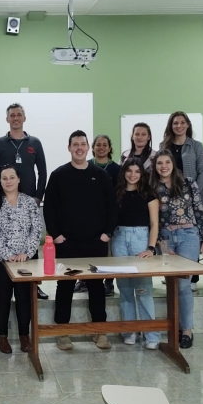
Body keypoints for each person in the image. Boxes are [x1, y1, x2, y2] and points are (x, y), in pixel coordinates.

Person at [43, 131, 117, 351]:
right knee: (65, 285)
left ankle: (99, 331)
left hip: (96, 241)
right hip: (67, 243)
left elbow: (112, 206)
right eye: (75, 144)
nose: (79, 148)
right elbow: (49, 208)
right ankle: (62, 332)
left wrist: (107, 234)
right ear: (69, 148)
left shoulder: (100, 175)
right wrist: (56, 235)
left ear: (88, 148)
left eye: (83, 144)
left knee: (96, 286)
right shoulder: (58, 175)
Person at [0, 103, 49, 300]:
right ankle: (2, 289)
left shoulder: (35, 142)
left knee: (30, 245)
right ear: (7, 119)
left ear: (24, 118)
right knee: (2, 245)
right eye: (12, 115)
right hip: (4, 201)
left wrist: (38, 197)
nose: (15, 118)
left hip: (29, 202)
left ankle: (34, 286)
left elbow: (43, 172)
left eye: (19, 115)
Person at [150, 150, 203, 349]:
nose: (163, 166)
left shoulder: (188, 182)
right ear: (155, 166)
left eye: (167, 162)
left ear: (173, 164)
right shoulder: (151, 186)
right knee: (171, 284)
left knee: (184, 285)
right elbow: (152, 219)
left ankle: (186, 330)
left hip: (188, 236)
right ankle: (173, 326)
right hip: (165, 237)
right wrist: (160, 243)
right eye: (160, 163)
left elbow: (199, 210)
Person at [0, 164, 42, 354]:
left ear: (19, 179)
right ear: (0, 181)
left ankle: (24, 336)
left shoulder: (29, 202)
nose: (8, 181)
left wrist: (27, 252)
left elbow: (36, 229)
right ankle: (2, 336)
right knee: (3, 297)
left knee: (25, 297)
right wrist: (7, 254)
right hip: (0, 260)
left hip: (26, 259)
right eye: (4, 178)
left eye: (11, 177)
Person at [111, 158, 160, 349]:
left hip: (141, 238)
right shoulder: (117, 193)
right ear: (124, 173)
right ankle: (129, 331)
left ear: (142, 174)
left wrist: (150, 248)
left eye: (137, 171)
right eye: (129, 171)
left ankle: (152, 336)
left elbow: (155, 223)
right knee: (124, 289)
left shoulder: (148, 194)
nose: (133, 175)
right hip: (119, 238)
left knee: (143, 289)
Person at [160, 112, 203, 291]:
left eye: (182, 122)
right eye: (174, 123)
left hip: (190, 196)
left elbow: (202, 171)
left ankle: (191, 279)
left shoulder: (196, 146)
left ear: (187, 124)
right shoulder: (164, 145)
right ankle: (171, 275)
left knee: (191, 235)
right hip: (168, 198)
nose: (178, 126)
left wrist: (192, 190)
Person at [86, 134, 121, 297]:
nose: (101, 147)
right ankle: (85, 280)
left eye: (104, 145)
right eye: (98, 144)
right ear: (93, 147)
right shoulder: (86, 166)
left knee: (108, 252)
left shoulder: (116, 169)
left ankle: (108, 282)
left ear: (109, 148)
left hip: (107, 217)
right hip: (89, 217)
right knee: (86, 249)